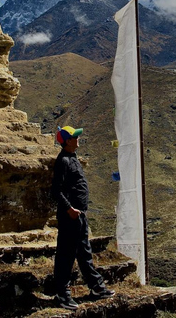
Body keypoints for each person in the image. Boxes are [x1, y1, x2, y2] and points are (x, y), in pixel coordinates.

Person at [51, 125, 115, 310]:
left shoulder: (73, 158)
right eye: (75, 137)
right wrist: (69, 208)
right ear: (67, 141)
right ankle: (62, 294)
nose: (78, 139)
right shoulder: (63, 161)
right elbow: (56, 190)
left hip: (79, 215)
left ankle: (96, 286)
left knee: (84, 252)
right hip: (70, 215)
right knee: (66, 255)